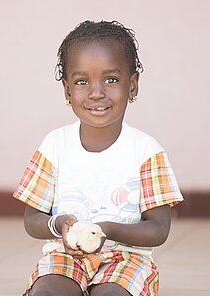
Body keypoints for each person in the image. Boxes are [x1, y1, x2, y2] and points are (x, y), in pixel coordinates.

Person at [13, 20, 183, 296]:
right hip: (66, 257)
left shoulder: (146, 152)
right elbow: (32, 218)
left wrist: (106, 230)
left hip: (127, 259)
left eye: (111, 79)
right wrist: (58, 224)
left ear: (133, 85)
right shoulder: (54, 146)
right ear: (68, 91)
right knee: (47, 291)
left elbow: (159, 228)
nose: (96, 92)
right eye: (82, 81)